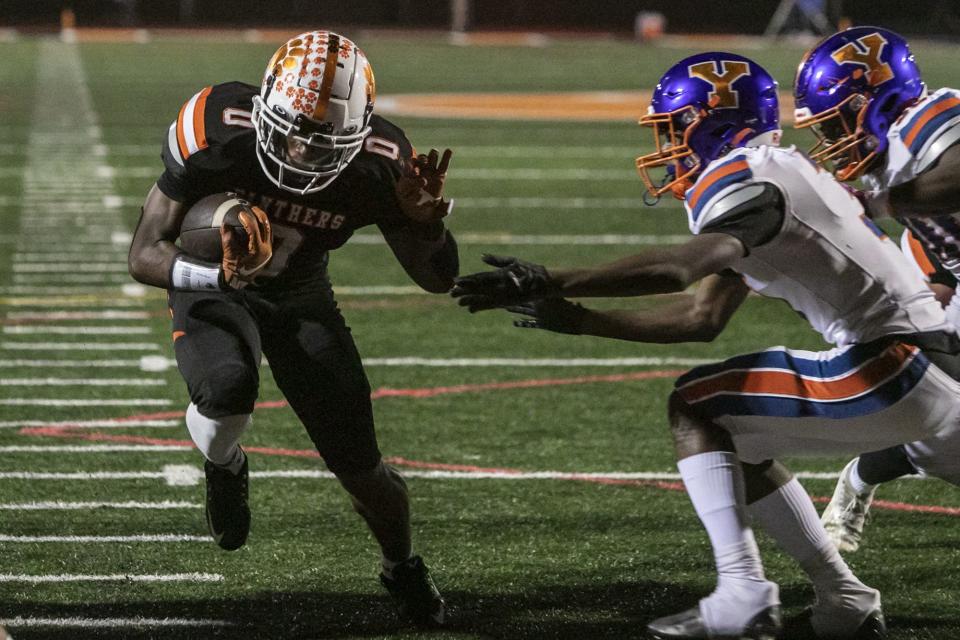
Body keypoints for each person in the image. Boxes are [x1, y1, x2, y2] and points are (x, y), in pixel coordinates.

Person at [451, 51, 960, 639]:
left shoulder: (750, 175)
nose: (667, 148)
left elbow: (679, 270)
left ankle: (743, 591)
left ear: (708, 122)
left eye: (673, 129)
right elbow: (701, 316)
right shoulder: (778, 179)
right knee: (734, 434)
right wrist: (582, 320)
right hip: (926, 365)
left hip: (895, 364)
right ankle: (843, 602)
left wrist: (550, 277)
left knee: (697, 405)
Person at [127, 30, 456, 627]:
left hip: (300, 294)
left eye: (325, 140)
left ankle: (401, 565)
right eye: (293, 130)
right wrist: (216, 277)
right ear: (264, 107)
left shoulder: (383, 164)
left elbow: (437, 278)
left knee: (363, 468)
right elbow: (145, 253)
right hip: (211, 278)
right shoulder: (215, 128)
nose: (303, 151)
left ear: (361, 134)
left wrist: (425, 223)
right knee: (226, 391)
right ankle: (225, 465)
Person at [794, 25, 960, 554]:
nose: (832, 137)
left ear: (874, 99)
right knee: (941, 439)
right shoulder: (893, 159)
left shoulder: (936, 116)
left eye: (837, 118)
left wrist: (878, 205)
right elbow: (931, 232)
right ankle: (861, 477)